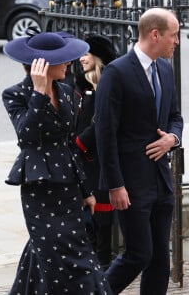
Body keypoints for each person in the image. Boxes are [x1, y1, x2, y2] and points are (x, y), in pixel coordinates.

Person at [2, 32, 112, 294]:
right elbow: (27, 136)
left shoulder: (67, 92)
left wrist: (87, 192)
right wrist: (39, 94)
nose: (69, 63)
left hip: (69, 189)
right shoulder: (15, 94)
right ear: (42, 65)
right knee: (58, 259)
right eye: (61, 60)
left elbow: (69, 144)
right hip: (40, 191)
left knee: (62, 254)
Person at [95, 8, 183, 295]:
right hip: (130, 185)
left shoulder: (165, 69)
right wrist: (115, 185)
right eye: (174, 35)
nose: (177, 42)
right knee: (138, 255)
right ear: (155, 34)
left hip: (161, 182)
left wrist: (173, 138)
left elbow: (175, 117)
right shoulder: (116, 72)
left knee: (160, 260)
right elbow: (105, 133)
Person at [74, 35, 118, 270]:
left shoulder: (105, 85)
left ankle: (102, 263)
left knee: (102, 216)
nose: (81, 59)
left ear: (98, 57)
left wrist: (80, 143)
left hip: (98, 159)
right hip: (83, 160)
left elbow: (100, 123)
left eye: (86, 54)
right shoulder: (82, 86)